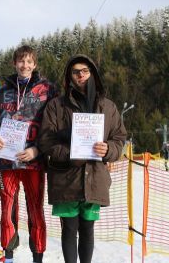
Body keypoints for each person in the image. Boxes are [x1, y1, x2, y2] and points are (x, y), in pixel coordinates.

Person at [38, 55, 127, 263]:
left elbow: (119, 138)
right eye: (76, 71)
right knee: (69, 229)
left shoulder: (108, 107)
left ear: (93, 74)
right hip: (65, 177)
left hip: (94, 177)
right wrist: (70, 152)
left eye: (85, 71)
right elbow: (45, 140)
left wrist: (108, 149)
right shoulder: (56, 106)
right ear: (69, 76)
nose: (81, 75)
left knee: (87, 228)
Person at [0, 45, 58, 263]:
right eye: (20, 61)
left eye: (28, 61)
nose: (24, 65)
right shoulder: (3, 91)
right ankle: (8, 256)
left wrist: (37, 149)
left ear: (34, 64)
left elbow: (54, 124)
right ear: (14, 63)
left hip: (33, 161)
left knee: (35, 209)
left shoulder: (47, 89)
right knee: (7, 208)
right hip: (6, 160)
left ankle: (38, 256)